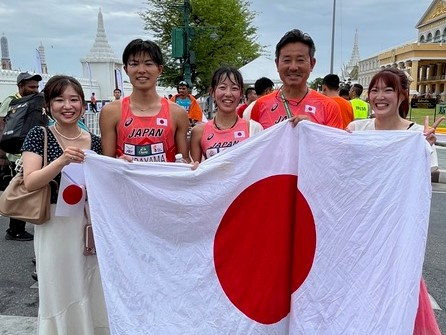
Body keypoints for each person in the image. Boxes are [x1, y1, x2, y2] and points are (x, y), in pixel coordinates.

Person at [347, 67, 443, 335]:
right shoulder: (356, 129)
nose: (380, 96)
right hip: (360, 231)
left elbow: (425, 183)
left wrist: (425, 147)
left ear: (402, 96)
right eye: (375, 90)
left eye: (388, 89)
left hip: (396, 233)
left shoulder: (416, 135)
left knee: (396, 295)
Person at [21, 75, 109, 334]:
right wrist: (61, 162)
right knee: (58, 284)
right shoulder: (40, 135)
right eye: (59, 100)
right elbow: (31, 182)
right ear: (48, 105)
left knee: (90, 282)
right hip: (54, 224)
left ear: (83, 105)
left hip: (87, 222)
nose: (67, 106)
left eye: (74, 99)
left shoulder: (94, 141)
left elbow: (103, 182)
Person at [100, 39, 189, 162]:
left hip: (164, 181)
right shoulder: (111, 112)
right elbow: (106, 164)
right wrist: (119, 164)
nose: (141, 70)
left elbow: (183, 161)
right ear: (126, 69)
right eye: (134, 64)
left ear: (160, 69)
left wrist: (191, 166)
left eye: (148, 64)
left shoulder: (178, 113)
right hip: (125, 181)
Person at [250, 29, 343, 129]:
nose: (293, 67)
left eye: (300, 60)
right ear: (277, 64)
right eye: (287, 60)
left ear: (312, 64)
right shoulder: (260, 105)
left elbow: (335, 143)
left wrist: (314, 130)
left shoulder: (329, 107)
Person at [0, 72, 42, 241]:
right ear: (20, 86)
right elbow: (1, 127)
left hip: (29, 153)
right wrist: (2, 155)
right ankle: (14, 230)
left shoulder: (34, 101)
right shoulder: (11, 101)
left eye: (37, 87)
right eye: (31, 87)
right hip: (14, 155)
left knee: (25, 191)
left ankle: (18, 227)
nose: (35, 90)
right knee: (19, 191)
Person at [190, 66, 262, 162]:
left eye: (234, 88)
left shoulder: (254, 129)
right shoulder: (198, 132)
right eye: (222, 87)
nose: (228, 94)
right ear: (212, 92)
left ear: (241, 94)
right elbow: (195, 173)